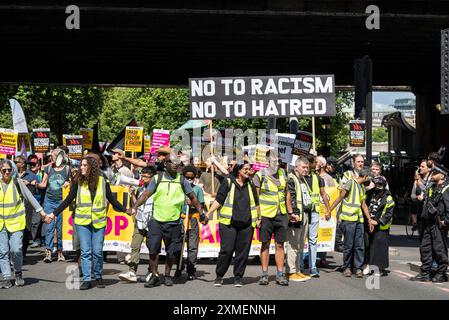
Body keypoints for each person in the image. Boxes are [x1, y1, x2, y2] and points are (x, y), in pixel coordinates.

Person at [49, 156, 127, 290]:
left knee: (97, 251)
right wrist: (53, 214)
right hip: (82, 222)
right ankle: (87, 279)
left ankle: (98, 276)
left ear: (92, 167)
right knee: (85, 251)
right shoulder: (77, 182)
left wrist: (127, 210)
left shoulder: (103, 181)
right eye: (81, 165)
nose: (81, 167)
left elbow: (113, 201)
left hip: (99, 222)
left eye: (85, 165)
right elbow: (68, 200)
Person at [128, 158, 206, 288]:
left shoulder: (182, 180)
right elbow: (146, 194)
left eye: (178, 164)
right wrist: (134, 207)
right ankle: (154, 275)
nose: (176, 165)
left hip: (174, 222)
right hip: (156, 220)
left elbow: (193, 198)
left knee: (171, 251)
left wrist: (202, 214)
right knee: (153, 249)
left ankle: (168, 275)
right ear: (165, 164)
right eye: (172, 163)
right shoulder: (157, 178)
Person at [205, 162, 261, 287]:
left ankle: (238, 277)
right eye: (245, 169)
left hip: (247, 224)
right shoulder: (228, 182)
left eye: (249, 169)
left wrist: (258, 217)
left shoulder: (250, 183)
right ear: (238, 170)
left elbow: (256, 203)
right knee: (227, 250)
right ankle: (219, 276)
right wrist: (209, 213)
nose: (248, 171)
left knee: (243, 252)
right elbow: (219, 199)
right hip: (229, 223)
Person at [0, 159, 49, 289]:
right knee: (3, 252)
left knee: (16, 250)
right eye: (4, 170)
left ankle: (18, 272)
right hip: (1, 225)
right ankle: (6, 277)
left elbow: (30, 197)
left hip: (16, 223)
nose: (7, 172)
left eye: (9, 170)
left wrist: (42, 212)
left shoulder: (17, 182)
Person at [328, 166, 372, 278]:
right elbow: (339, 198)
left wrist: (369, 219)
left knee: (359, 245)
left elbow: (363, 205)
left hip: (358, 220)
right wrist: (329, 211)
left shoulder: (361, 187)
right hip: (348, 220)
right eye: (369, 178)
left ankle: (357, 268)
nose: (369, 181)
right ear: (366, 176)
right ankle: (347, 267)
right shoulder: (350, 183)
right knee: (348, 245)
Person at [253, 154, 289, 286]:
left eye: (278, 161)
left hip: (281, 214)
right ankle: (264, 274)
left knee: (280, 245)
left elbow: (287, 193)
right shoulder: (260, 175)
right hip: (266, 215)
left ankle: (280, 274)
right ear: (267, 162)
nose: (277, 164)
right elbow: (255, 198)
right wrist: (258, 216)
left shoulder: (284, 174)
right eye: (274, 161)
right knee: (265, 244)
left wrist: (289, 212)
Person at [411, 163, 449, 283]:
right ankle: (425, 272)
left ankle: (441, 273)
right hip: (427, 222)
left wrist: (446, 221)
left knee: (439, 249)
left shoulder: (446, 189)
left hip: (438, 223)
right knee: (425, 247)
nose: (432, 174)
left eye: (435, 173)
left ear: (442, 176)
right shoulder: (432, 186)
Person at [119, 166, 156, 283]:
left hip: (152, 222)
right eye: (142, 176)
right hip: (139, 221)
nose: (143, 179)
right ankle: (132, 271)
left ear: (153, 177)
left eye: (145, 177)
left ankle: (152, 271)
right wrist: (133, 195)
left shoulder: (157, 189)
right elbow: (137, 205)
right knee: (135, 246)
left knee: (152, 249)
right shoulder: (140, 188)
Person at [37, 148, 71, 263]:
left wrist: (69, 183)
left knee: (61, 227)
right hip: (49, 201)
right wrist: (35, 184)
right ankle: (49, 252)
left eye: (53, 156)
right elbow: (43, 184)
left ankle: (60, 251)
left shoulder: (67, 169)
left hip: (62, 202)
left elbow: (73, 184)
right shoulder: (48, 168)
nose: (51, 158)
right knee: (49, 226)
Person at [302, 154, 332, 277]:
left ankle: (312, 266)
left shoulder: (318, 178)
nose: (317, 164)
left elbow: (323, 194)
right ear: (310, 164)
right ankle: (299, 266)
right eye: (315, 162)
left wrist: (328, 209)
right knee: (300, 239)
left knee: (313, 240)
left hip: (314, 212)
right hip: (302, 211)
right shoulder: (299, 177)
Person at [285, 157, 312, 282]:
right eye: (303, 167)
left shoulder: (303, 180)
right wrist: (293, 213)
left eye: (307, 167)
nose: (306, 170)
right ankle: (291, 271)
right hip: (297, 216)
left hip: (305, 215)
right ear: (296, 167)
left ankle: (297, 270)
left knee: (300, 245)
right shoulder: (292, 178)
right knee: (293, 244)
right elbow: (290, 197)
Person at [178, 165, 205, 280]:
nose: (189, 180)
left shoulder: (197, 190)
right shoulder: (178, 188)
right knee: (178, 245)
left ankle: (191, 268)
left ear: (195, 177)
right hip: (180, 219)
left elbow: (201, 205)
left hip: (192, 219)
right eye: (186, 178)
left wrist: (193, 203)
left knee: (192, 246)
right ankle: (179, 265)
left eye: (191, 178)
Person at [367, 176, 395, 276]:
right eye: (376, 184)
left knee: (380, 248)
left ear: (384, 185)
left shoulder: (388, 197)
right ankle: (370, 266)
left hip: (381, 227)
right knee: (370, 246)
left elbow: (388, 214)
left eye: (380, 185)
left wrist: (378, 222)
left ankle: (380, 269)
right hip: (369, 224)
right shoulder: (370, 193)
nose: (378, 187)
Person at [14, 156, 37, 257]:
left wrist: (28, 184)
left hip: (26, 206)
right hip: (14, 206)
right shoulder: (11, 174)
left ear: (22, 164)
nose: (14, 164)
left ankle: (23, 251)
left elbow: (32, 191)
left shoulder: (31, 175)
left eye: (16, 162)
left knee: (26, 228)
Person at [28, 155, 46, 248]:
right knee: (34, 222)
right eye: (30, 164)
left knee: (43, 221)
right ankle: (36, 239)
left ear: (38, 165)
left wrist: (37, 184)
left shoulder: (43, 173)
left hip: (43, 200)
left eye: (34, 164)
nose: (32, 166)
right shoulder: (27, 174)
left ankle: (42, 239)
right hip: (32, 202)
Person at [411, 160, 432, 231]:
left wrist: (417, 179)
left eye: (423, 166)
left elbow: (426, 189)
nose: (420, 168)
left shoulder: (432, 181)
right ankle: (414, 223)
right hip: (420, 211)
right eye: (420, 166)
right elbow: (412, 196)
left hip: (429, 212)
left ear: (429, 169)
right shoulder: (416, 181)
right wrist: (417, 197)